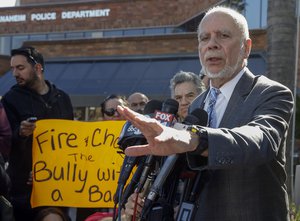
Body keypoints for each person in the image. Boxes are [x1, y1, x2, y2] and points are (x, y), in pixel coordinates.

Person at [118, 6, 294, 221]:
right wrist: (143, 200)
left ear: (246, 48)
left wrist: (195, 140)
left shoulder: (271, 93)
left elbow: (260, 140)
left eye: (224, 35)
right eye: (204, 38)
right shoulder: (198, 104)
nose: (212, 44)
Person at [1, 46, 74, 221]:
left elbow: (71, 141)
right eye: (12, 68)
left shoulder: (62, 98)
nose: (14, 73)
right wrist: (21, 132)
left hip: (57, 186)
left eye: (20, 68)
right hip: (24, 191)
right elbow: (6, 142)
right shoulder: (11, 99)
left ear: (38, 68)